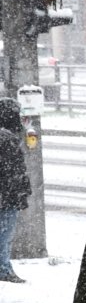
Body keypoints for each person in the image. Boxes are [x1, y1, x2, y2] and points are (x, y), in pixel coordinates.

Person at [0, 102, 27, 283]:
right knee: (4, 235)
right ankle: (3, 269)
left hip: (6, 195)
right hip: (7, 198)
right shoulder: (7, 139)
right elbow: (14, 173)